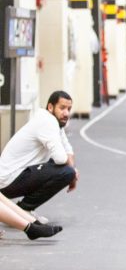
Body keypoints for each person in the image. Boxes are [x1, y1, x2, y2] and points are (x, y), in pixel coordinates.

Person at [0, 91, 78, 223]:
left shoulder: (55, 123)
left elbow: (68, 148)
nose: (66, 113)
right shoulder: (47, 122)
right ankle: (24, 210)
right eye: (62, 108)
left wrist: (72, 173)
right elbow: (60, 158)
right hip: (7, 181)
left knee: (67, 170)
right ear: (50, 107)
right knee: (66, 171)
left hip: (14, 177)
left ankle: (22, 210)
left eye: (69, 109)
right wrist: (73, 173)